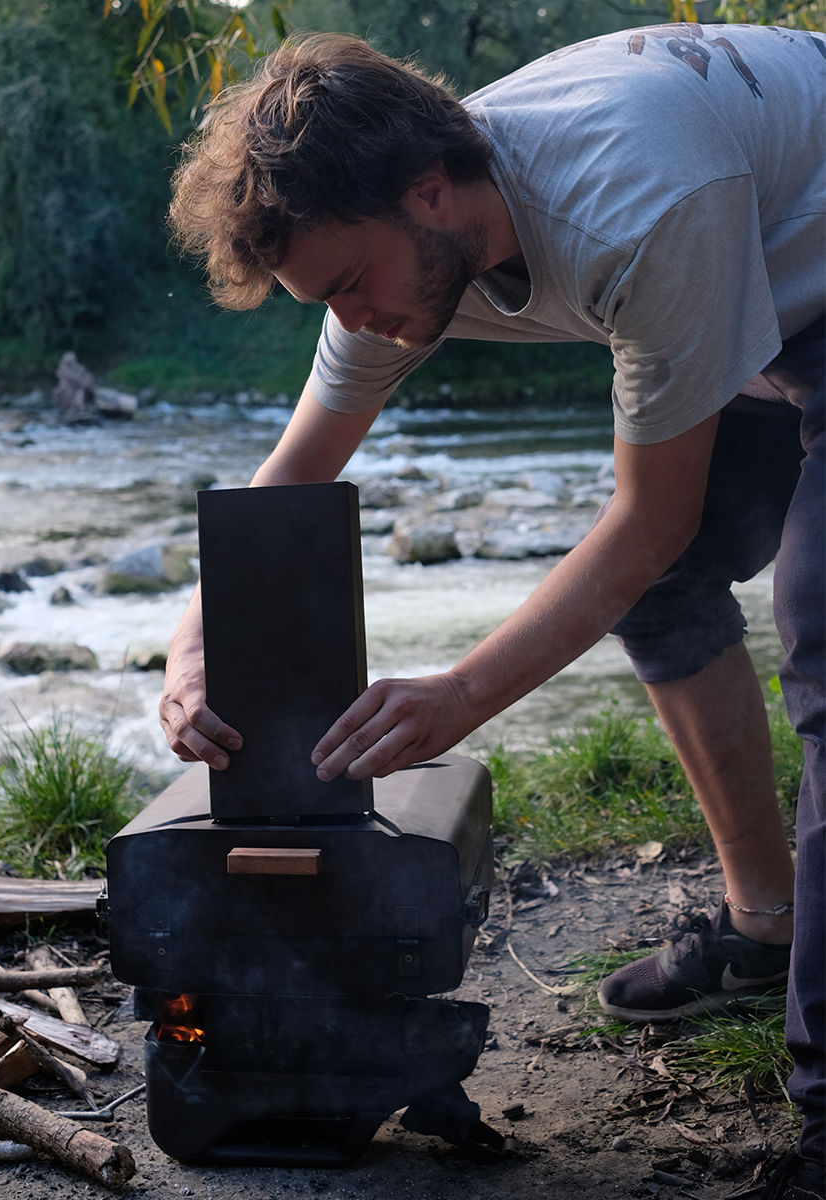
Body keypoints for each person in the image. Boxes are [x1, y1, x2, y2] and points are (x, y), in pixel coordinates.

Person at [159, 26, 825, 1196]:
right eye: (326, 300)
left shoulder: (633, 202)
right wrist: (192, 643)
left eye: (348, 285)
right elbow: (286, 490)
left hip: (776, 257)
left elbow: (649, 522)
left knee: (819, 624)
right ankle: (765, 926)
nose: (349, 318)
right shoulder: (396, 234)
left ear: (430, 191)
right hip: (762, 285)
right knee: (666, 594)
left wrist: (461, 694)